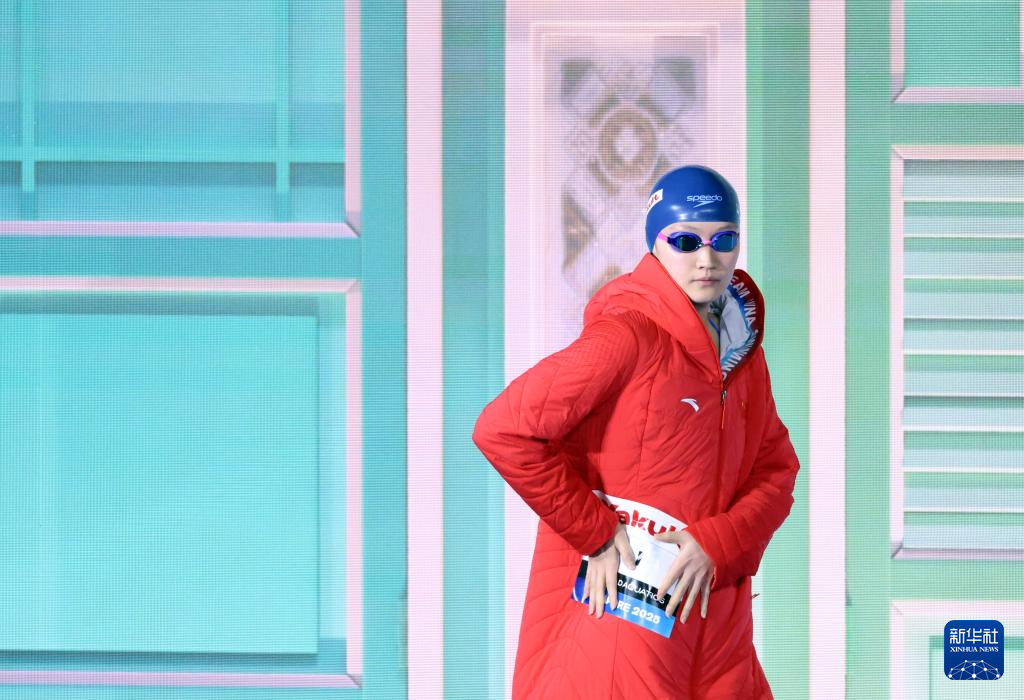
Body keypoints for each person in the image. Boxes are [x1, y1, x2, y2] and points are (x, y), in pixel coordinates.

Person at [471, 164, 800, 699]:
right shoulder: (627, 336)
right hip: (622, 624)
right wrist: (595, 532)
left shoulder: (742, 355)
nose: (707, 258)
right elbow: (503, 429)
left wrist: (719, 544)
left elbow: (777, 471)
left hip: (717, 627)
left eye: (724, 240)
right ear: (655, 243)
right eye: (686, 241)